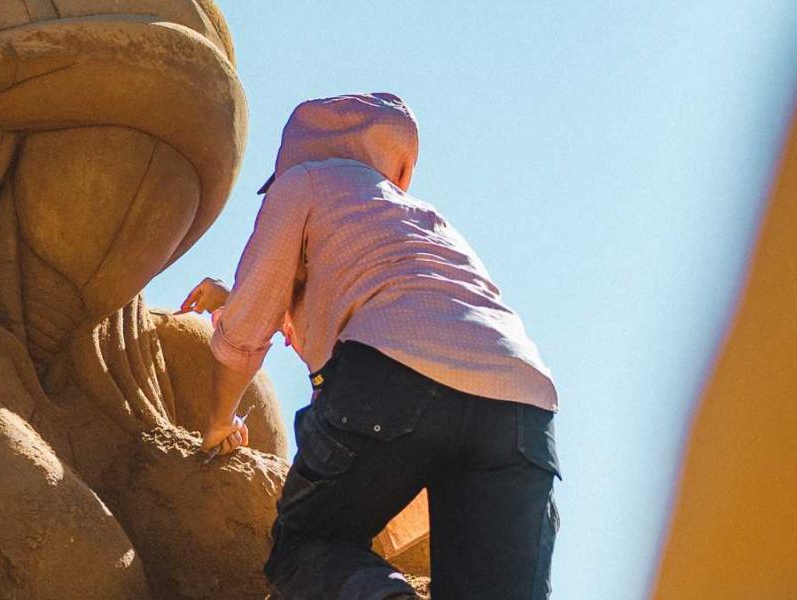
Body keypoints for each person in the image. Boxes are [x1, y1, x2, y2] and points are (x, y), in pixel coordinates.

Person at [179, 93, 561, 600]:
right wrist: (233, 297)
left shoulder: (306, 181)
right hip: (522, 405)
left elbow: (250, 332)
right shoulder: (424, 220)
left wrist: (218, 423)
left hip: (396, 386)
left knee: (308, 545)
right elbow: (390, 312)